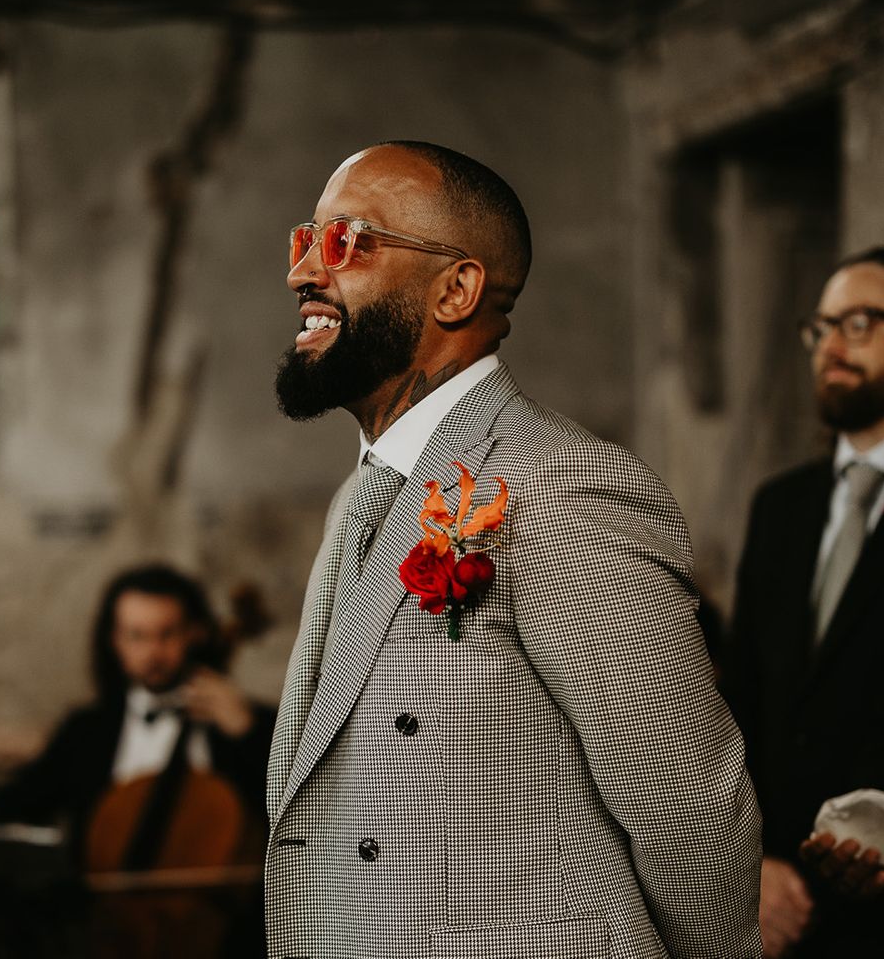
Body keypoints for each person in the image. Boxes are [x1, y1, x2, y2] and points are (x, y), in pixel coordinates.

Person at [266, 141, 762, 959]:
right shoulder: (359, 496)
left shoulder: (562, 486)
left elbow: (689, 807)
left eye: (349, 240)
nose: (305, 274)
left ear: (456, 290)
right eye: (303, 241)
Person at [726, 247, 884, 958]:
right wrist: (751, 866)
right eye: (820, 328)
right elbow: (741, 704)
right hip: (779, 905)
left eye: (859, 322)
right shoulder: (781, 506)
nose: (831, 345)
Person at [0, 562, 275, 874]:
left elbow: (301, 819)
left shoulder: (245, 724)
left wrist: (248, 732)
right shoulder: (85, 732)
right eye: (137, 636)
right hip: (100, 915)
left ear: (195, 633)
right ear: (115, 640)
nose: (153, 653)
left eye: (167, 634)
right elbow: (3, 812)